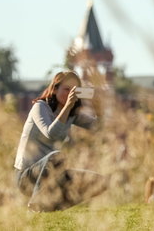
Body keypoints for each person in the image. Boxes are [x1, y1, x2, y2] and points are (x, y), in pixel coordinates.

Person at [13, 70, 106, 211]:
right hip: (28, 176)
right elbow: (51, 134)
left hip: (54, 176)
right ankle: (36, 203)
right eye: (66, 89)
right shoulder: (40, 107)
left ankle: (51, 206)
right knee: (55, 157)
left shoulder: (71, 114)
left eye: (74, 90)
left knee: (100, 181)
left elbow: (98, 128)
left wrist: (98, 108)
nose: (70, 94)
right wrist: (68, 106)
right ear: (55, 89)